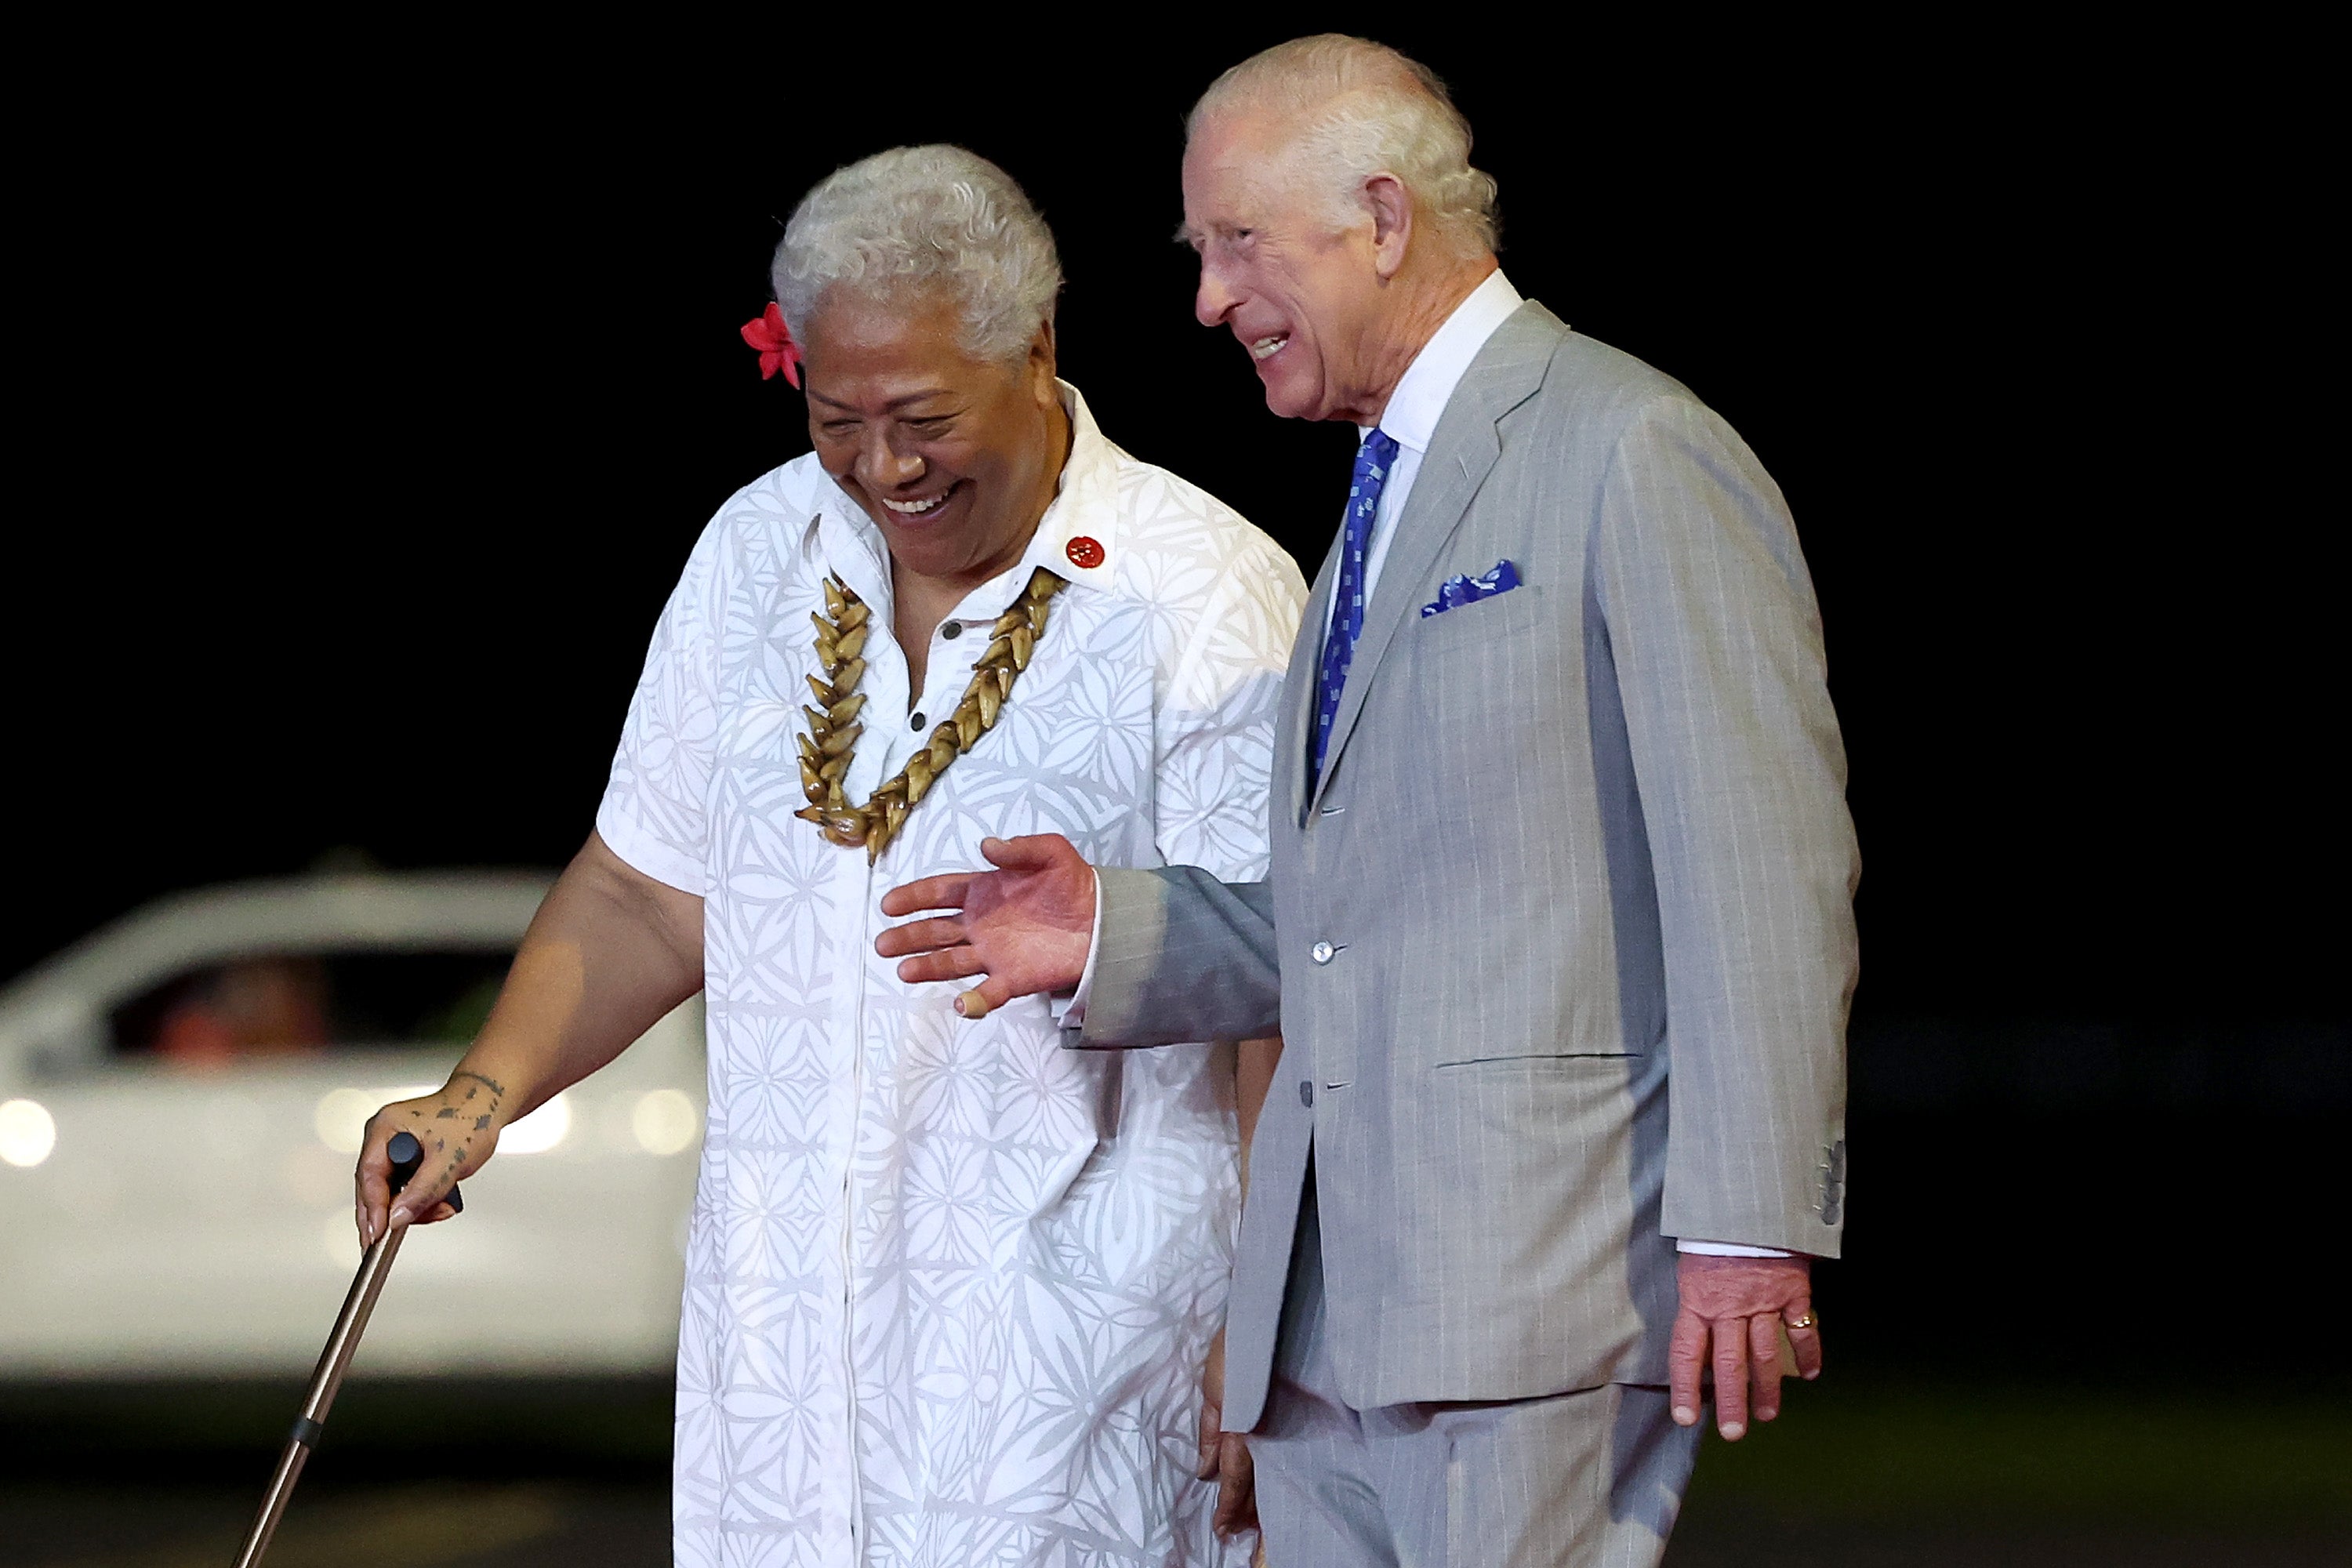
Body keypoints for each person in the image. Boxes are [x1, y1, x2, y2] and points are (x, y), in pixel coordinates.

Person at [877, 38, 1860, 1568]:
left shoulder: (1631, 450)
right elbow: (1364, 929)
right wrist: (1118, 933)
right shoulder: (1376, 507)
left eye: (1237, 241)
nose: (1207, 297)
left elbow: (1764, 870)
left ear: (1384, 220)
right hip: (1332, 1319)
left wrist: (1746, 1226)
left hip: (1530, 1294)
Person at [354, 145, 1302, 1566]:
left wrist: (1272, 1314)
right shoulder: (756, 550)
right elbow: (644, 888)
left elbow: (1283, 973)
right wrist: (481, 1093)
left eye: (923, 415)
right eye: (836, 416)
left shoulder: (1203, 593)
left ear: (1036, 349)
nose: (884, 466)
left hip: (1082, 1379)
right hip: (784, 1388)